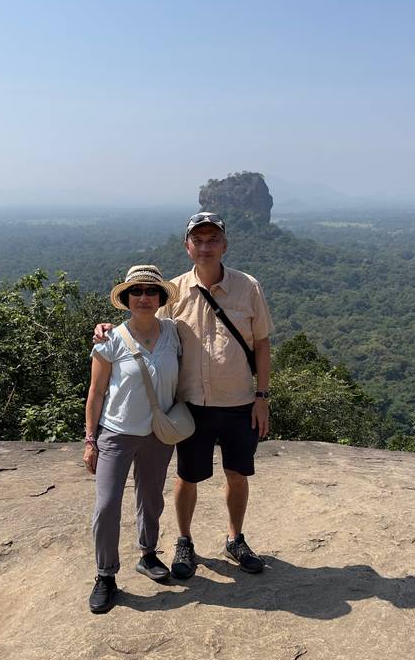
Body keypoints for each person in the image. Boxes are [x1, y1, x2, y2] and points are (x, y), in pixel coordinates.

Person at [94, 212, 274, 581]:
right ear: (187, 246)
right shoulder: (171, 293)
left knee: (238, 474)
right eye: (198, 240)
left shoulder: (248, 287)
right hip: (191, 405)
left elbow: (262, 344)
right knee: (187, 477)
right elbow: (142, 324)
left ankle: (235, 538)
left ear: (224, 244)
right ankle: (184, 541)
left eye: (212, 240)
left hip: (239, 400)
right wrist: (105, 329)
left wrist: (262, 397)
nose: (205, 247)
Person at [85, 264, 180, 614]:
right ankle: (105, 575)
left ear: (160, 298)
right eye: (136, 292)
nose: (143, 297)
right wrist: (90, 440)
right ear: (126, 299)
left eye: (150, 292)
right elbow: (95, 393)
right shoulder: (109, 338)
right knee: (107, 505)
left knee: (151, 497)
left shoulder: (174, 333)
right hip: (117, 432)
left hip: (158, 433)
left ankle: (148, 554)